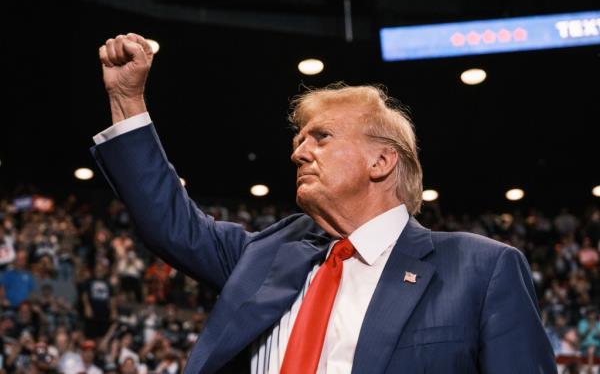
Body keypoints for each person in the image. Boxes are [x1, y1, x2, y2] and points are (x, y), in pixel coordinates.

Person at [91, 33, 557, 373]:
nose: (298, 151)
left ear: (381, 160)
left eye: (321, 137)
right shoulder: (267, 254)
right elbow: (171, 225)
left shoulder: (480, 269)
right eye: (299, 139)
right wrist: (127, 98)